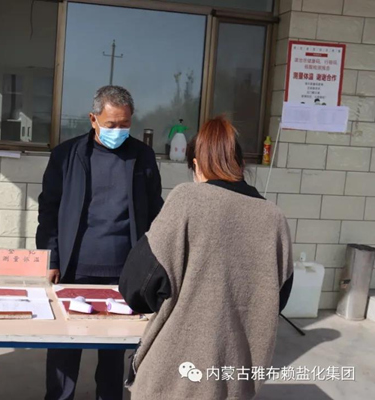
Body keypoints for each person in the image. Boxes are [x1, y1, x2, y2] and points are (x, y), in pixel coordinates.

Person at [119, 116, 294, 400]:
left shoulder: (187, 199)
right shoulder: (274, 218)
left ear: (197, 165)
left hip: (173, 380)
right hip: (234, 383)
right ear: (240, 165)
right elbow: (277, 300)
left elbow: (136, 285)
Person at [37, 85, 163, 400]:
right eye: (111, 124)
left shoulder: (142, 156)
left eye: (125, 124)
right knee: (65, 346)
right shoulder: (67, 155)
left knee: (114, 350)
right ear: (93, 119)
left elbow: (155, 210)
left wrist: (153, 264)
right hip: (74, 267)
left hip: (124, 270)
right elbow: (49, 210)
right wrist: (51, 259)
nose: (118, 131)